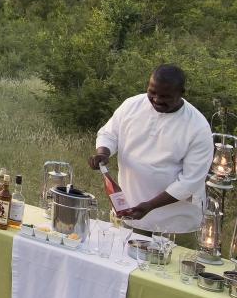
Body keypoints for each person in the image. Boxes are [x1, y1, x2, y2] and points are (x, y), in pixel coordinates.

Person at [88, 64, 213, 236]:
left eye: (165, 96)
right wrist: (103, 153)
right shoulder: (131, 105)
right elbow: (109, 134)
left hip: (174, 225)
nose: (157, 99)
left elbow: (190, 182)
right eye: (152, 92)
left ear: (181, 92)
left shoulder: (198, 127)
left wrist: (150, 206)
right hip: (128, 212)